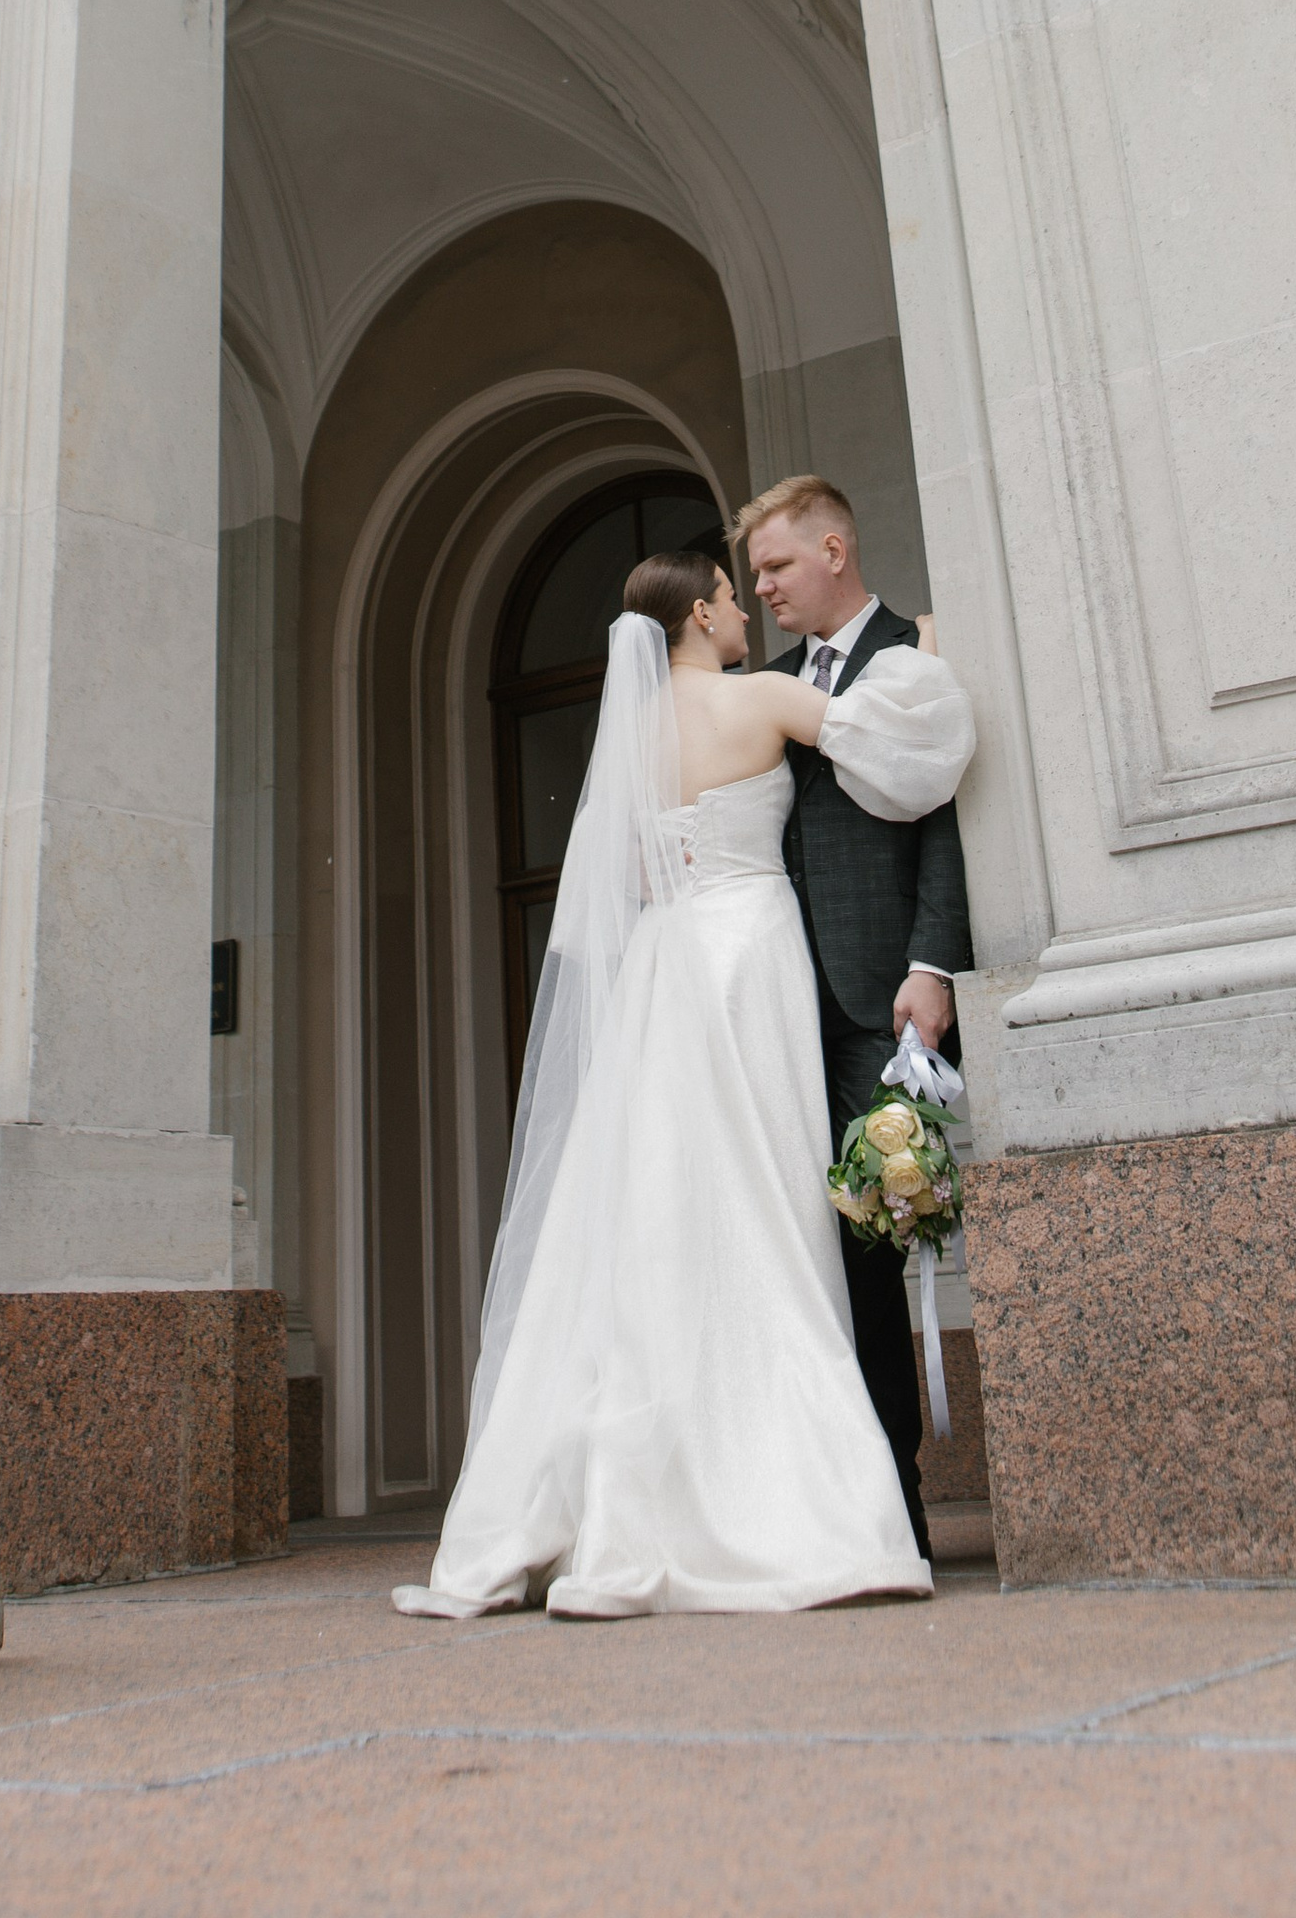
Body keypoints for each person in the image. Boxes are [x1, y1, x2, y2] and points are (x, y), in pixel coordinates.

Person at [394, 536, 973, 1619]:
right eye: (729, 596)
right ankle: (788, 1501)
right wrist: (934, 642)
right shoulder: (759, 702)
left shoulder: (628, 741)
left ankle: (602, 1508)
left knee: (650, 1213)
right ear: (701, 618)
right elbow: (910, 751)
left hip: (660, 973)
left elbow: (614, 886)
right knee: (762, 1199)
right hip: (748, 959)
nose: (746, 612)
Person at [741, 474, 974, 1560]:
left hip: (889, 998)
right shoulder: (774, 689)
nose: (764, 588)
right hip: (792, 1006)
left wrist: (934, 963)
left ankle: (908, 1507)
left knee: (891, 1235)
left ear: (834, 548)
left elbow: (948, 822)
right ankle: (882, 1509)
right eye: (753, 576)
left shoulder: (916, 658)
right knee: (838, 1258)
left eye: (778, 566)